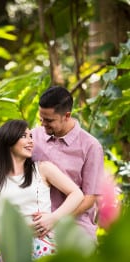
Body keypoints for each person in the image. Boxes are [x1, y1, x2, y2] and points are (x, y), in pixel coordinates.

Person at [0, 119, 84, 262]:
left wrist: (54, 218)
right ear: (8, 140)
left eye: (31, 136)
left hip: (45, 247)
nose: (31, 140)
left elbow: (77, 194)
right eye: (24, 136)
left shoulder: (42, 169)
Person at [31, 85, 104, 241]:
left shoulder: (91, 146)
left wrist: (55, 219)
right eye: (41, 118)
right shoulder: (33, 137)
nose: (43, 124)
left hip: (76, 227)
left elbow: (90, 198)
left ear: (67, 115)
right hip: (36, 226)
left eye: (49, 120)